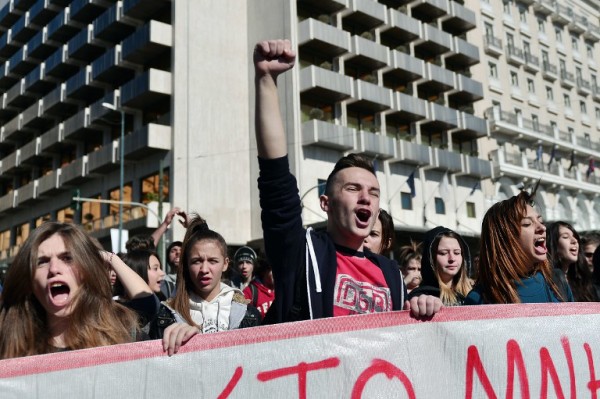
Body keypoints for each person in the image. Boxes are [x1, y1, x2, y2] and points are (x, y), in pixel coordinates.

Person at [253, 39, 441, 321]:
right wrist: (266, 79)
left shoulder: (392, 275)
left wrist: (423, 303)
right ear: (325, 203)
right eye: (353, 188)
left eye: (374, 192)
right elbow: (275, 179)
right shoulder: (303, 253)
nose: (366, 197)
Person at [0, 222, 157, 359]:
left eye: (68, 258)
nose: (54, 269)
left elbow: (147, 303)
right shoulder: (6, 340)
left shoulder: (123, 330)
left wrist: (178, 337)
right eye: (42, 262)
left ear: (86, 272)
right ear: (29, 281)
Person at [150, 215, 260, 355]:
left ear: (225, 263)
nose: (204, 270)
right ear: (187, 265)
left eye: (213, 261)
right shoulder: (165, 316)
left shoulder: (248, 315)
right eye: (197, 261)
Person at [465, 187, 572, 304]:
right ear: (504, 238)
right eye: (527, 224)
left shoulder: (558, 282)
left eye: (541, 222)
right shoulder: (478, 299)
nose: (542, 228)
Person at [409, 227, 472, 306]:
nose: (452, 259)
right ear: (430, 259)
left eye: (457, 253)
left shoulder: (475, 295)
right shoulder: (422, 297)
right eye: (443, 253)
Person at [546, 221, 597, 302]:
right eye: (565, 237)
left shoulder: (584, 282)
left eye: (575, 237)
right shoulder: (545, 281)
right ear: (553, 244)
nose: (574, 241)